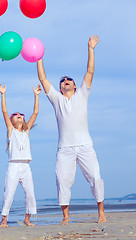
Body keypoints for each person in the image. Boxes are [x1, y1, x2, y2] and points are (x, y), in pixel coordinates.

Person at [36, 35, 106, 225]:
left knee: (95, 177)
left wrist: (90, 49)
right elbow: (42, 78)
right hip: (65, 148)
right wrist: (38, 56)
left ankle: (101, 213)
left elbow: (90, 71)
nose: (65, 81)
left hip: (85, 146)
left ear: (75, 86)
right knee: (61, 179)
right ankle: (66, 216)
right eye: (62, 80)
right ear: (60, 88)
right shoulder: (56, 99)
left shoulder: (82, 94)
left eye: (69, 80)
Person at [0, 83, 41, 228]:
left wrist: (36, 96)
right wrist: (3, 94)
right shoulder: (11, 131)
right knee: (9, 193)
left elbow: (35, 112)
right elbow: (4, 111)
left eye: (21, 115)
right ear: (11, 121)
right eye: (16, 116)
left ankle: (27, 219)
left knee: (30, 193)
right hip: (14, 165)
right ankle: (4, 219)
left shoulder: (26, 132)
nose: (19, 116)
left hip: (26, 166)